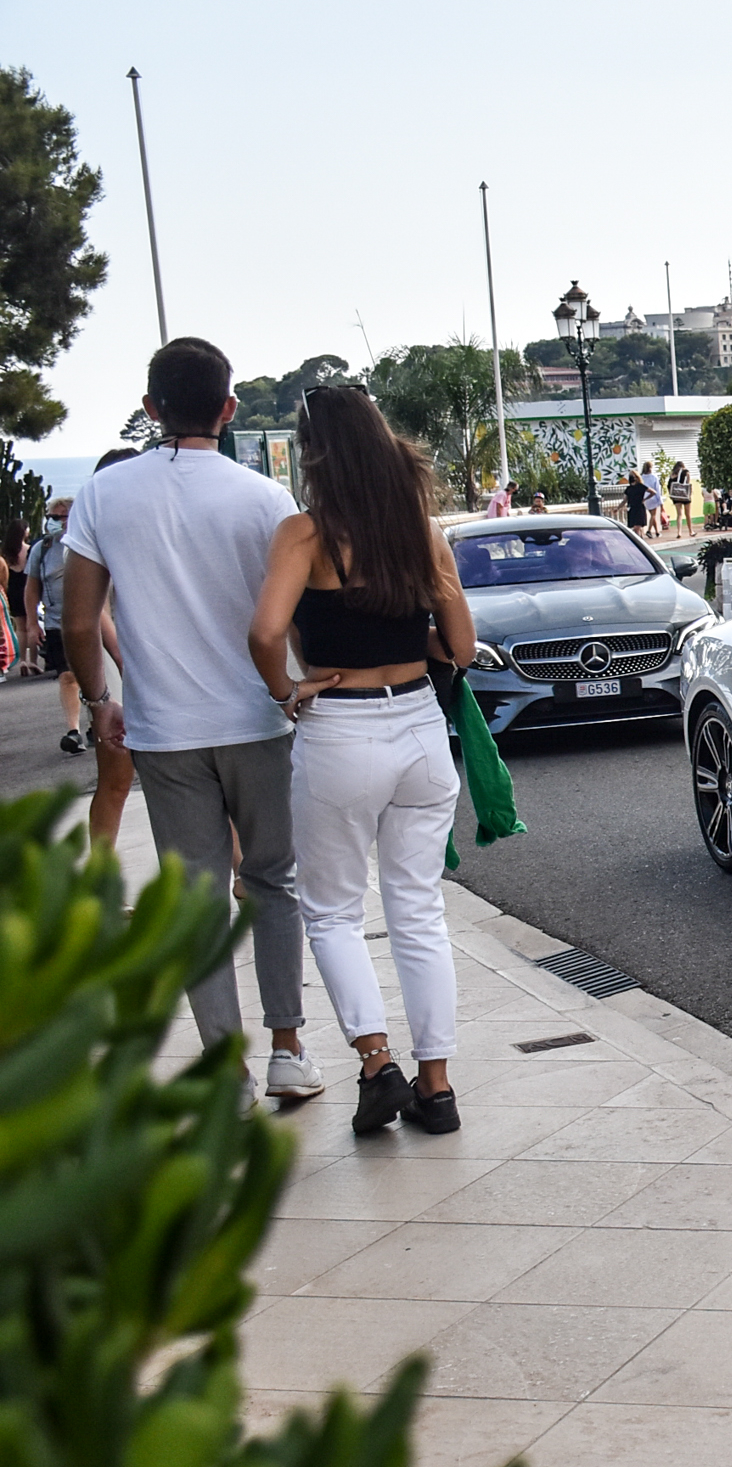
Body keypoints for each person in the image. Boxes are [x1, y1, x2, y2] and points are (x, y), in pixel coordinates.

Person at [61, 337, 315, 1104]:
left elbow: (78, 620)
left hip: (163, 730)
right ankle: (288, 1049)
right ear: (230, 409)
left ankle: (227, 1071)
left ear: (150, 410)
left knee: (198, 896)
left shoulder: (103, 496)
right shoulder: (264, 497)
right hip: (258, 721)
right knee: (273, 882)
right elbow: (291, 619)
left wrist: (102, 699)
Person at [249, 384, 476, 1136]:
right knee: (418, 912)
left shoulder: (304, 535)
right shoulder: (424, 532)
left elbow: (264, 631)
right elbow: (463, 649)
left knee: (335, 912)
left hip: (340, 730)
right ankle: (437, 1089)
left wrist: (287, 688)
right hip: (417, 727)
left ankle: (377, 1062)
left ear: (313, 453)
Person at [82, 449, 140, 851]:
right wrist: (122, 657)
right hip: (118, 659)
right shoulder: (98, 528)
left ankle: (240, 869)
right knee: (117, 774)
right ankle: (101, 879)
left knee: (198, 769)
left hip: (136, 655)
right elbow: (93, 609)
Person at [26, 494, 84, 750]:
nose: (58, 522)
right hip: (57, 623)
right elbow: (32, 588)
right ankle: (73, 730)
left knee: (98, 675)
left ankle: (100, 722)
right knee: (67, 676)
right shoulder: (43, 548)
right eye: (53, 517)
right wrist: (31, 623)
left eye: (64, 516)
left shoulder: (87, 541)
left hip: (93, 621)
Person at [3, 515, 27, 675]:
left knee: (20, 627)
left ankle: (21, 659)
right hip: (28, 588)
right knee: (32, 625)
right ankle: (31, 660)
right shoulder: (30, 549)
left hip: (12, 589)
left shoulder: (5, 552)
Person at [641, 460, 664, 539]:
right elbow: (657, 489)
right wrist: (660, 501)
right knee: (653, 515)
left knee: (652, 515)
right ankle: (649, 530)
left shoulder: (642, 477)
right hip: (653, 497)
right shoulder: (654, 477)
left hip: (645, 498)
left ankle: (657, 532)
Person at [670, 462, 694, 533]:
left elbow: (669, 485)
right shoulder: (686, 472)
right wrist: (690, 494)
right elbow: (688, 483)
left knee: (679, 514)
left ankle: (679, 532)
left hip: (676, 496)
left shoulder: (672, 474)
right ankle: (690, 531)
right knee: (688, 514)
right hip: (685, 495)